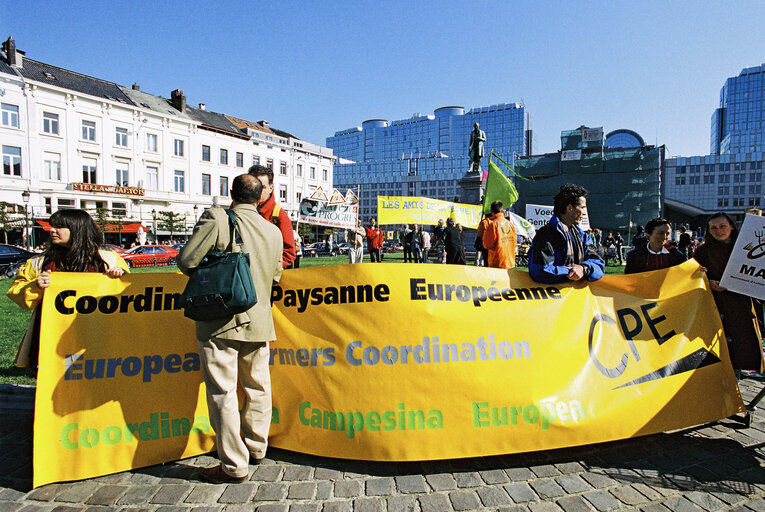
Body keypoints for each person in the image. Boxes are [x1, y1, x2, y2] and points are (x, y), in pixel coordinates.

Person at [178, 174, 283, 484]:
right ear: (260, 197)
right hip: (260, 320)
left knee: (223, 393)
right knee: (258, 387)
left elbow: (186, 261)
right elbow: (276, 275)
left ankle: (234, 465)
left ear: (231, 193)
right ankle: (256, 447)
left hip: (221, 319)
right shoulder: (273, 230)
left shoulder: (218, 217)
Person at [7, 209, 128, 369]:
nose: (51, 230)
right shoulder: (40, 262)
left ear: (78, 230)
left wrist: (120, 275)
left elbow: (128, 293)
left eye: (59, 227)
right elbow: (16, 292)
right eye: (52, 226)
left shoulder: (108, 259)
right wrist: (36, 285)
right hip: (52, 331)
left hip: (96, 330)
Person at [693, 212, 765, 375]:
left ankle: (735, 384)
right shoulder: (702, 252)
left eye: (722, 226)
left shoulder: (746, 248)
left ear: (732, 227)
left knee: (738, 350)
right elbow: (695, 276)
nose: (719, 230)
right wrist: (708, 282)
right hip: (715, 307)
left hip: (741, 307)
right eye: (714, 228)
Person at [529, 184, 604, 283]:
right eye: (582, 207)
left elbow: (599, 265)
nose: (584, 213)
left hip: (578, 296)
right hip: (552, 296)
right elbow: (539, 271)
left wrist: (584, 268)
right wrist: (571, 271)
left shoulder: (583, 236)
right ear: (569, 208)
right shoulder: (545, 236)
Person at [248, 164, 296, 268]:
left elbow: (289, 254)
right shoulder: (237, 207)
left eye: (263, 187)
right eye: (254, 186)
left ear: (271, 188)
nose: (258, 191)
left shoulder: (279, 215)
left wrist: (266, 269)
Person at [482, 201, 517, 269]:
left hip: (497, 261)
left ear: (492, 211)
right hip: (510, 260)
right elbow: (515, 241)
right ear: (502, 210)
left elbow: (487, 244)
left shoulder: (493, 225)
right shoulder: (510, 224)